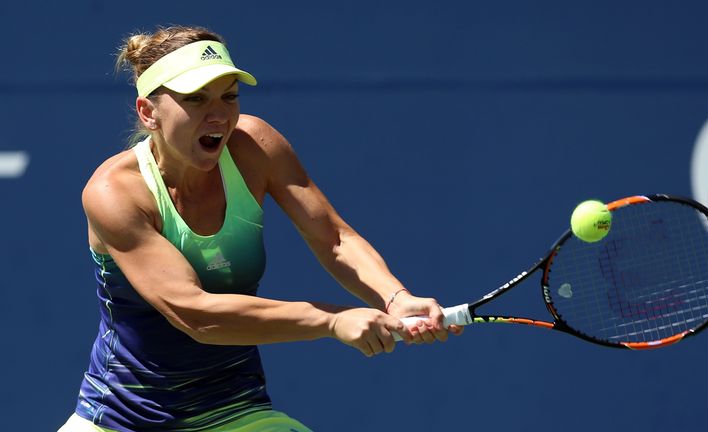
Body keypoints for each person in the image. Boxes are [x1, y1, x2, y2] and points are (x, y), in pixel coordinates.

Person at [57, 25, 460, 432]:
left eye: (229, 96)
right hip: (121, 421)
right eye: (196, 99)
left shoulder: (254, 145)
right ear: (149, 112)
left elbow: (334, 239)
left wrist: (394, 297)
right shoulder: (115, 192)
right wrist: (332, 319)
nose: (219, 115)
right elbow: (195, 314)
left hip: (238, 411)